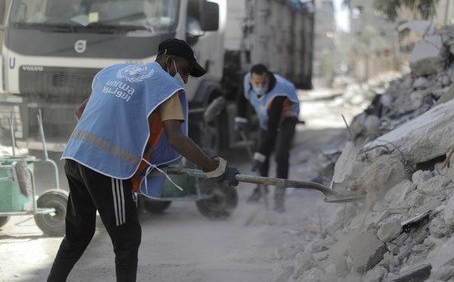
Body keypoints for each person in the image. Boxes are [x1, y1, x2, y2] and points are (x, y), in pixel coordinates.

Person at [48, 38, 239, 282]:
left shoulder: (117, 71)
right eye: (185, 70)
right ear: (169, 62)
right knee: (126, 239)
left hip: (75, 156)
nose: (186, 78)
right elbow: (177, 139)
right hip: (108, 169)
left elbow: (80, 113)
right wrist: (216, 169)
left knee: (78, 234)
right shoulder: (166, 87)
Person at [235, 64, 299, 213]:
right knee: (262, 153)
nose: (260, 86)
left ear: (268, 78)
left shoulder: (280, 91)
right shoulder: (246, 80)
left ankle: (279, 196)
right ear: (251, 79)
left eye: (263, 82)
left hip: (285, 119)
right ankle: (261, 189)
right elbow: (241, 98)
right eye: (256, 83)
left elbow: (272, 129)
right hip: (266, 117)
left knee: (280, 155)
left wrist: (260, 154)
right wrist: (241, 118)